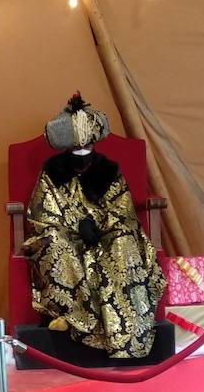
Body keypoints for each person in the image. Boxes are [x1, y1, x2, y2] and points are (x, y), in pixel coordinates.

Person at [21, 93, 166, 358]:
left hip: (106, 236)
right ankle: (74, 318)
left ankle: (127, 333)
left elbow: (123, 211)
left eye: (86, 151)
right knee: (54, 243)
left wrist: (100, 227)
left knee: (123, 244)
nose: (82, 157)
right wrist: (76, 228)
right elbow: (44, 215)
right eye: (76, 152)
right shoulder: (52, 173)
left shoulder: (109, 171)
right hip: (68, 235)